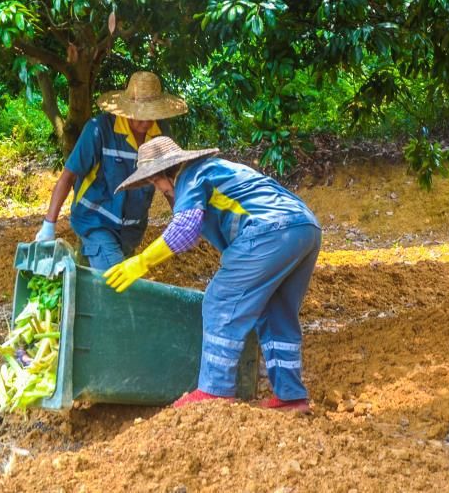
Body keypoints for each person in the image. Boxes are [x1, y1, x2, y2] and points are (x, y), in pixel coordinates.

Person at [103, 136, 321, 412]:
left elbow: (184, 228)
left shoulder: (191, 177)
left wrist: (142, 262)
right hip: (305, 228)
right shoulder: (218, 170)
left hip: (271, 229)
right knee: (276, 311)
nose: (157, 189)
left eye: (153, 182)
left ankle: (214, 391)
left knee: (220, 300)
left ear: (162, 175)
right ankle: (291, 396)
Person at [35, 71, 188, 270]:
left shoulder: (161, 135)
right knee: (116, 284)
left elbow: (169, 183)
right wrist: (49, 225)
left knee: (103, 285)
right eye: (140, 115)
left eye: (151, 115)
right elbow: (68, 176)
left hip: (131, 230)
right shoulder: (99, 130)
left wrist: (184, 218)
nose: (146, 122)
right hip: (95, 220)